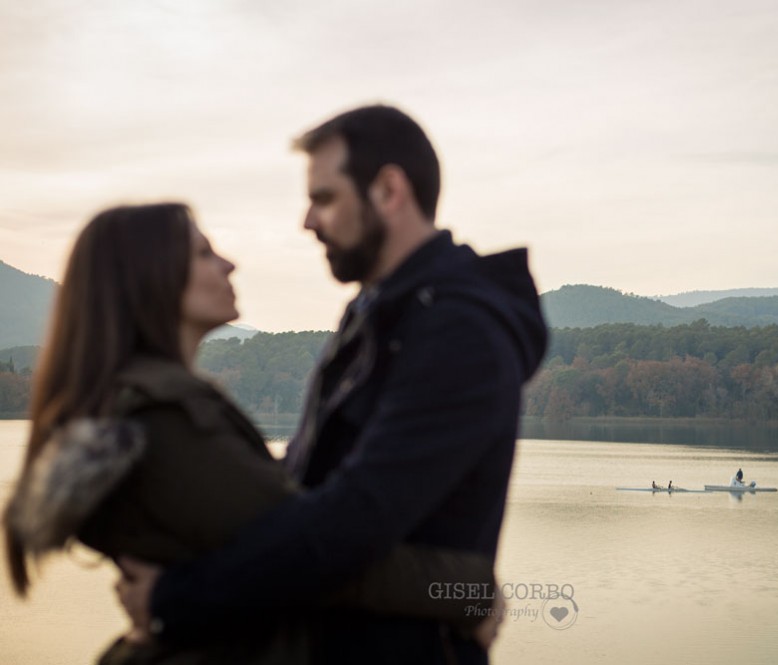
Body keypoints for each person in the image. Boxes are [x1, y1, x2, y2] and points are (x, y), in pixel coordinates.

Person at [115, 105, 548, 663]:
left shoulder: (457, 332)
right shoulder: (375, 318)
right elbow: (301, 488)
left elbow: (351, 524)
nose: (307, 221)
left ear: (389, 190)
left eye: (324, 198)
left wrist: (177, 598)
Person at [3, 203, 498, 664]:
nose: (229, 264)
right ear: (151, 280)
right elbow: (312, 557)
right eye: (203, 253)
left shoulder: (146, 409)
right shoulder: (167, 422)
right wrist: (469, 592)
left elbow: (268, 538)